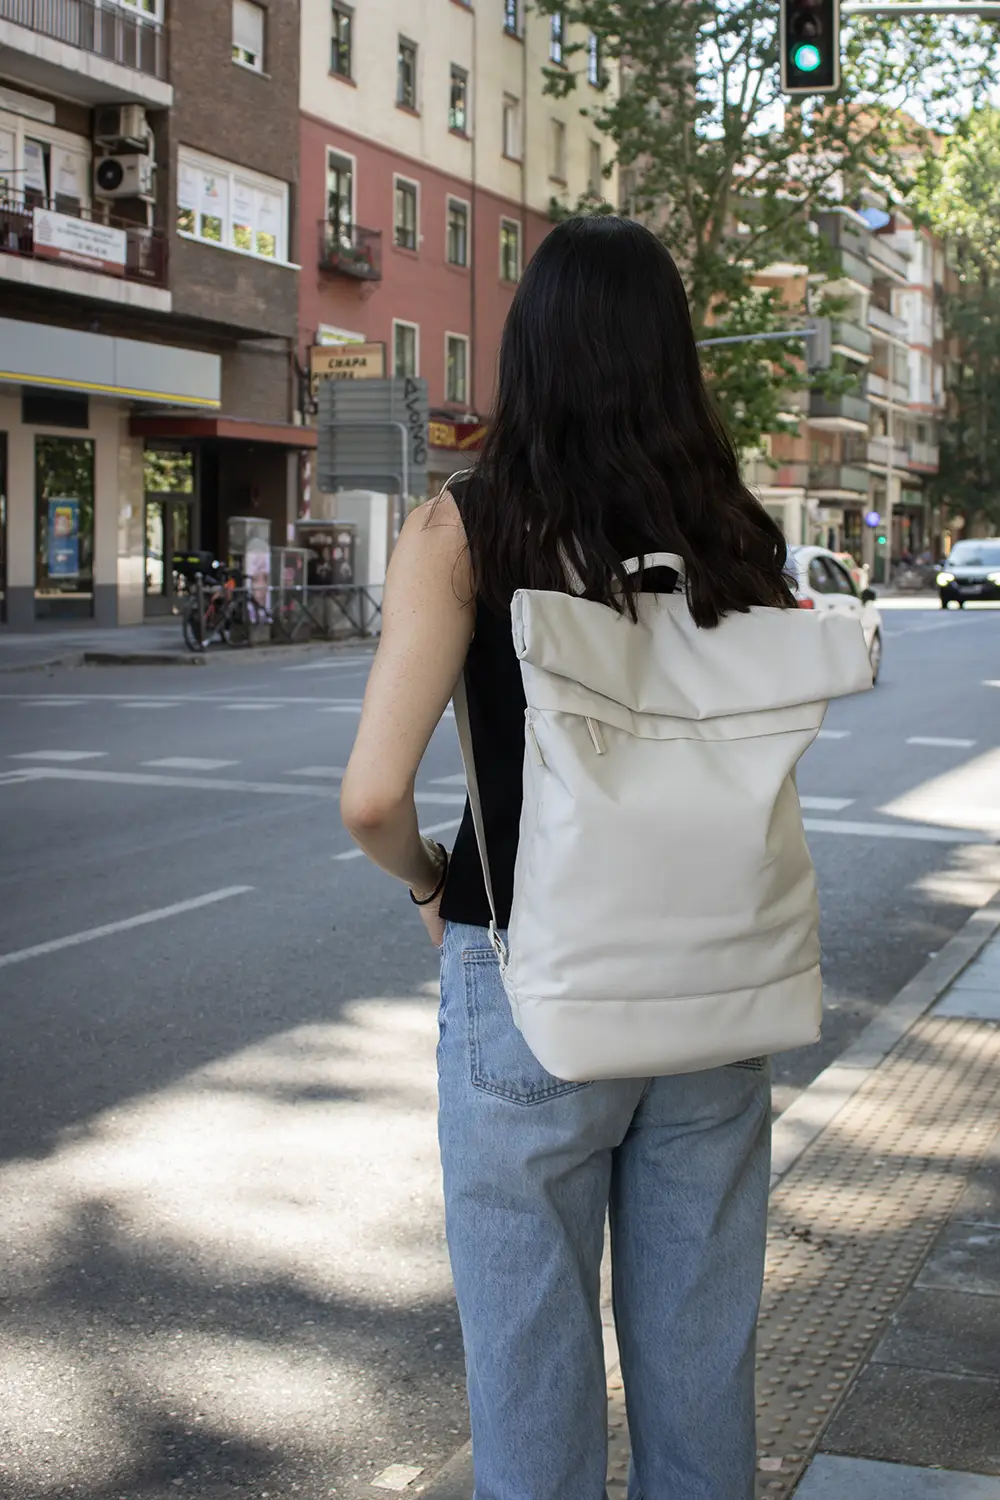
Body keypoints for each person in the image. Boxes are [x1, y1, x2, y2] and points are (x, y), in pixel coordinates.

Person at [341, 215, 798, 1500]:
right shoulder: (735, 536)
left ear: (530, 349)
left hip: (528, 971)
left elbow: (372, 797)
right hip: (713, 980)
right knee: (700, 1375)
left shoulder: (469, 529)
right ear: (673, 357)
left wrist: (431, 882)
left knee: (532, 1381)